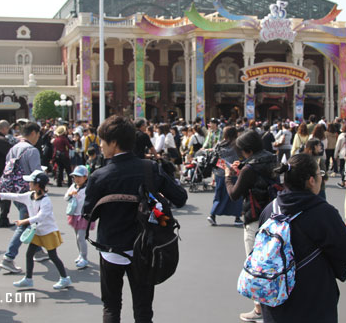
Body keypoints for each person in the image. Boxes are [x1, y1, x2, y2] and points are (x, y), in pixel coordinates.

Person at [83, 115, 187, 323]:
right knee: (143, 310)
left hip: (111, 248)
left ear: (113, 143)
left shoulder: (99, 175)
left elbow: (88, 214)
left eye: (102, 141)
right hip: (144, 248)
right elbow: (180, 197)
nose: (100, 145)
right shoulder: (150, 168)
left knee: (111, 306)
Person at [258, 154, 346, 323]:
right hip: (313, 295)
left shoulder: (270, 209)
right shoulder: (324, 212)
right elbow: (345, 253)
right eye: (320, 174)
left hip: (275, 295)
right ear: (311, 180)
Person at [225, 130, 278, 321]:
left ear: (246, 150)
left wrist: (228, 177)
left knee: (256, 265)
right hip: (275, 216)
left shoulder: (249, 169)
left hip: (254, 218)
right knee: (276, 263)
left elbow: (234, 194)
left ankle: (259, 309)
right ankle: (276, 304)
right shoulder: (273, 160)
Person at [0, 170, 71, 290]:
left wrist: (24, 221)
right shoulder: (29, 195)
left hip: (48, 232)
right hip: (37, 232)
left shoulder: (46, 201)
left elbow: (41, 217)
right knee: (29, 254)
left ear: (38, 185)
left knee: (53, 256)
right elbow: (16, 196)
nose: (28, 183)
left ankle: (65, 278)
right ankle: (28, 279)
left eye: (31, 182)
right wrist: (0, 195)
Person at [0, 122, 48, 274]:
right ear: (33, 133)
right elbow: (37, 173)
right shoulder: (32, 151)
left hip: (15, 190)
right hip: (28, 192)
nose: (38, 138)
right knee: (25, 224)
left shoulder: (13, 149)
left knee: (31, 221)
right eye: (38, 135)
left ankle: (38, 251)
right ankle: (8, 257)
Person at [208, 126, 242, 226]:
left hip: (220, 172)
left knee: (219, 195)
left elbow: (215, 157)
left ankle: (212, 215)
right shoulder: (237, 144)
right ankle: (237, 218)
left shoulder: (219, 144)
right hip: (234, 172)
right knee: (236, 195)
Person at [64, 165, 93, 269]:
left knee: (80, 237)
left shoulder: (88, 188)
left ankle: (84, 258)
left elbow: (92, 200)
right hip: (74, 215)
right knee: (77, 237)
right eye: (75, 176)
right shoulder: (73, 186)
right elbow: (66, 197)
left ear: (85, 177)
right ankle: (80, 254)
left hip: (84, 216)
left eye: (79, 176)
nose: (76, 179)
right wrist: (70, 194)